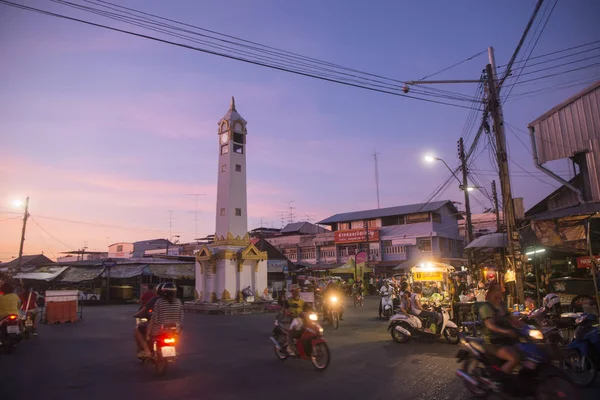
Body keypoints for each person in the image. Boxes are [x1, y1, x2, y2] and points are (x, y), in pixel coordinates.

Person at [478, 282, 523, 379]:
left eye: (501, 289)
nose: (501, 291)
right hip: (493, 341)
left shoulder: (502, 305)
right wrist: (506, 331)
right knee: (514, 359)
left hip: (505, 339)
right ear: (492, 292)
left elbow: (511, 318)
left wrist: (524, 326)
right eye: (498, 289)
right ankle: (500, 381)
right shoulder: (486, 307)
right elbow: (490, 325)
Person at [143, 282, 183, 358]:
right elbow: (181, 318)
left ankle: (148, 352)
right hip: (174, 330)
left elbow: (154, 318)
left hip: (159, 330)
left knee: (149, 336)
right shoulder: (178, 302)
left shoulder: (159, 302)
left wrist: (148, 333)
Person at [134, 283, 164, 357]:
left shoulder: (154, 298)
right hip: (167, 325)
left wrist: (137, 314)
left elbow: (144, 305)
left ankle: (146, 351)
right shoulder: (171, 302)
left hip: (147, 313)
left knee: (138, 329)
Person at [284, 285, 306, 355]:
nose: (296, 292)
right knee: (291, 330)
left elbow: (307, 309)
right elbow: (286, 310)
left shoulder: (302, 301)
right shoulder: (288, 300)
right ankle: (289, 346)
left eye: (297, 291)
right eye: (294, 291)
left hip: (300, 318)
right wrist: (289, 313)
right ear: (292, 292)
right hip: (290, 319)